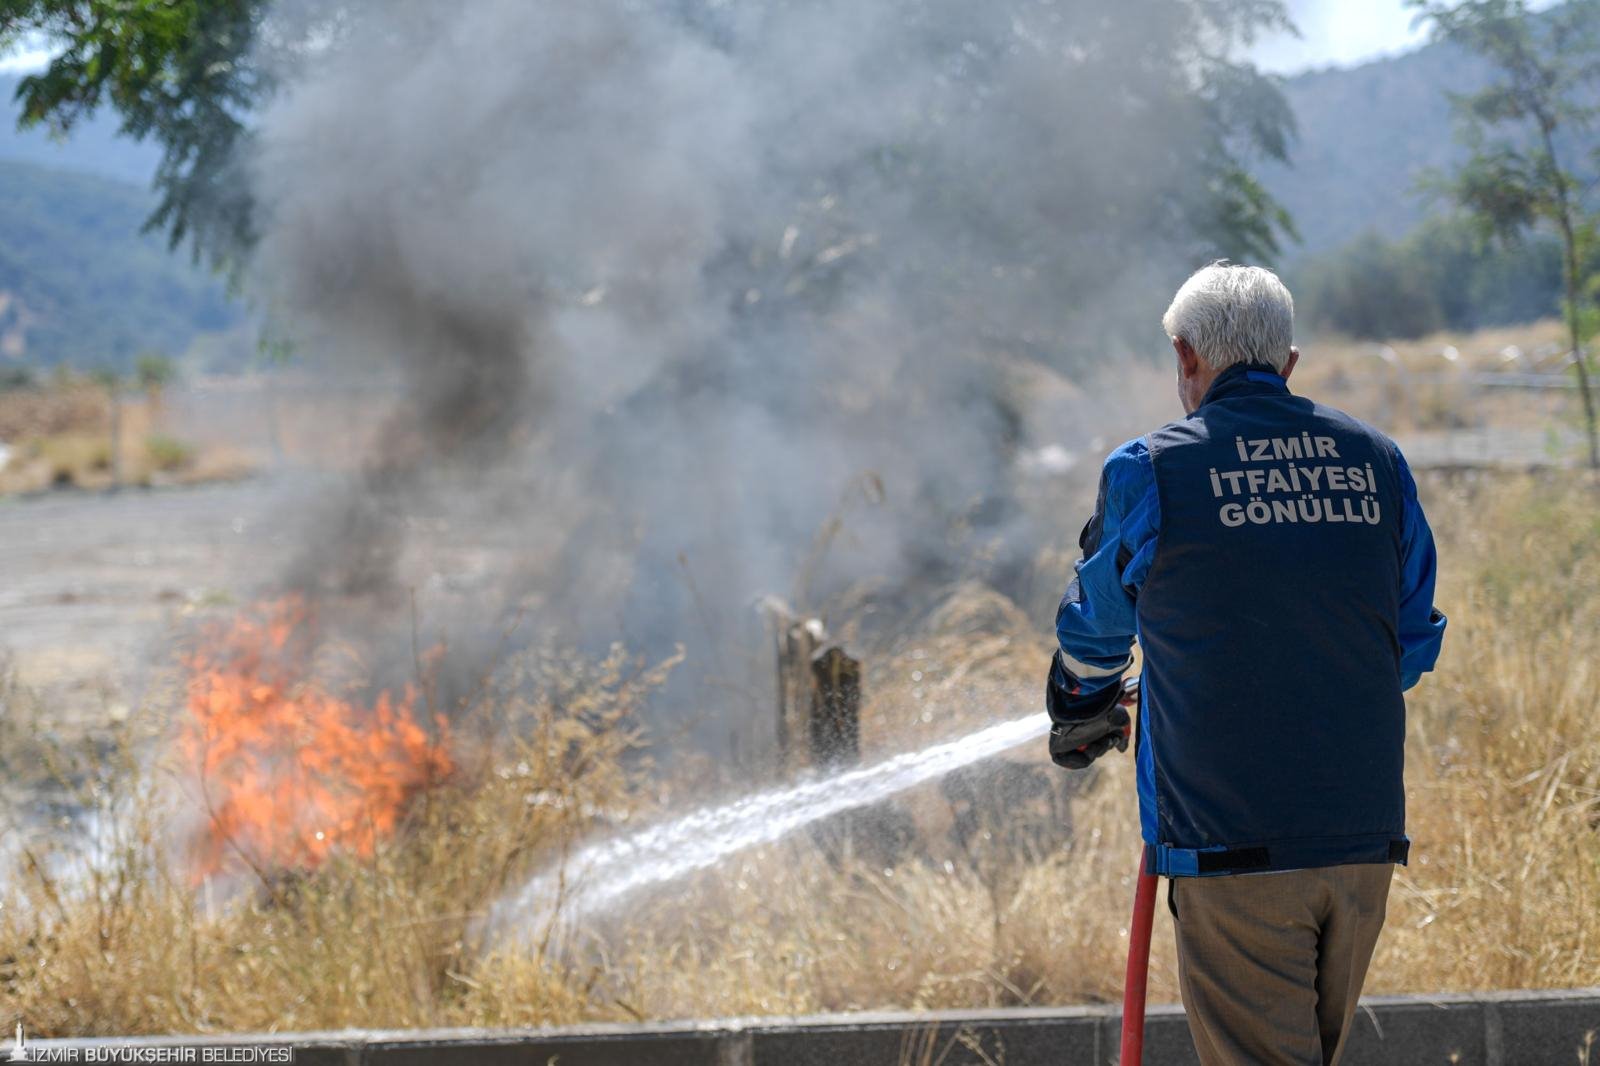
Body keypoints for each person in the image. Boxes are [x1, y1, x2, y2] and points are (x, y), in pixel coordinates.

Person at [1046, 263, 1446, 1066]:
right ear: (1287, 363)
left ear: (1186, 355)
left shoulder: (1151, 468)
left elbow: (1095, 633)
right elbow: (1406, 643)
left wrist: (1080, 702)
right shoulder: (1378, 461)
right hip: (1363, 843)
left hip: (1232, 843)